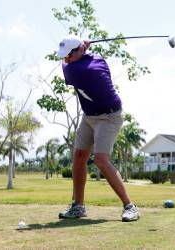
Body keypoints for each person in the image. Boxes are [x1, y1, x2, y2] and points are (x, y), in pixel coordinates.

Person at [56, 35, 139, 222]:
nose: (66, 58)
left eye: (69, 55)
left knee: (101, 160)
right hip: (90, 116)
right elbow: (73, 59)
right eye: (65, 55)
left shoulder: (82, 70)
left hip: (109, 117)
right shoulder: (95, 58)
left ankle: (130, 206)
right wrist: (82, 49)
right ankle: (78, 206)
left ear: (79, 51)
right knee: (78, 157)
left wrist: (81, 49)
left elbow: (66, 66)